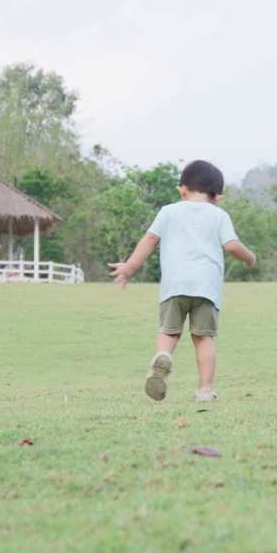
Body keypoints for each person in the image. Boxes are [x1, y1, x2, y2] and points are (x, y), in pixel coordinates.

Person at [109, 160, 256, 403]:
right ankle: (205, 390)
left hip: (174, 285)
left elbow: (150, 239)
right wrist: (250, 257)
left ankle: (163, 356)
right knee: (203, 337)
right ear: (218, 196)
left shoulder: (168, 211)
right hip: (206, 287)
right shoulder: (219, 215)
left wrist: (130, 267)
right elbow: (231, 246)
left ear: (182, 189)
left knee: (169, 332)